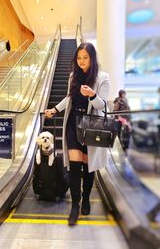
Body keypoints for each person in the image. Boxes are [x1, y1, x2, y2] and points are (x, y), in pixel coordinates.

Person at [45, 42, 110, 226]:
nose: (81, 61)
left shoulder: (103, 77)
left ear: (92, 58)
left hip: (91, 125)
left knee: (87, 165)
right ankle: (75, 205)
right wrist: (55, 110)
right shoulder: (73, 76)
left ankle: (86, 198)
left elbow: (103, 105)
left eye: (85, 57)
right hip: (73, 123)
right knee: (74, 163)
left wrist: (92, 95)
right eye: (79, 57)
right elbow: (70, 97)